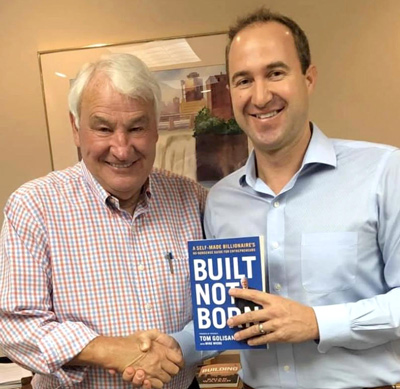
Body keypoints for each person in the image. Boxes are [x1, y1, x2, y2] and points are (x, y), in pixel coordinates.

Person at [204, 8, 400, 389]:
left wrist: (317, 323)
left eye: (275, 73)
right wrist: (168, 347)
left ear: (308, 79)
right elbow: (219, 316)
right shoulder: (221, 200)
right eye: (244, 80)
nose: (260, 96)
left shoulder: (384, 172)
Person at [0, 53, 210, 388]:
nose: (122, 148)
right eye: (103, 128)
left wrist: (175, 348)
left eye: (137, 127)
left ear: (155, 129)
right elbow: (16, 326)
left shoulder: (193, 200)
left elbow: (220, 305)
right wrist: (109, 350)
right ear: (75, 129)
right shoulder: (34, 206)